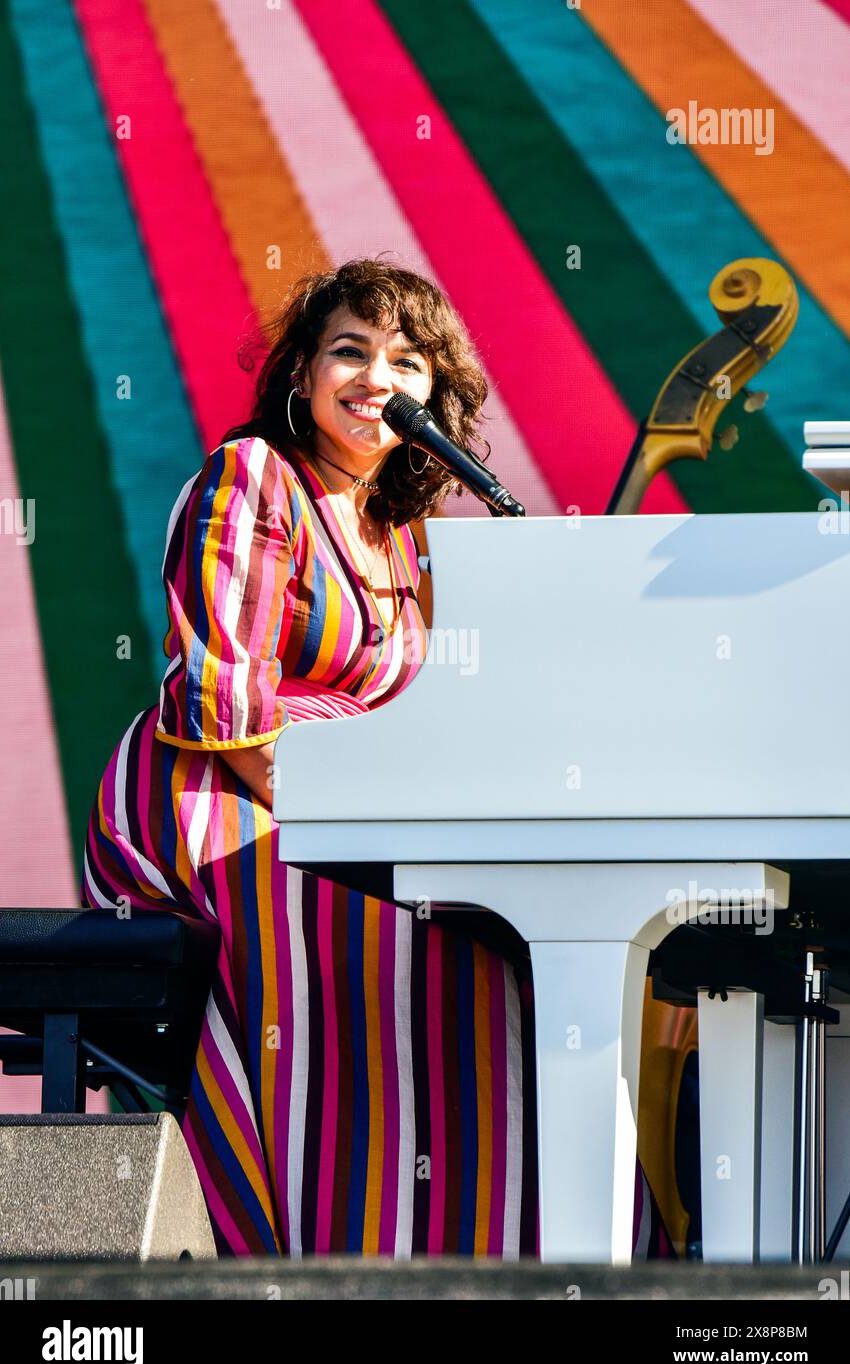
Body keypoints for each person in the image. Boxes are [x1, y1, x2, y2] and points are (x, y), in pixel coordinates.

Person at [81, 258, 674, 1258]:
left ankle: (470, 1246)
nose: (374, 378)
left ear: (433, 399)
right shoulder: (253, 476)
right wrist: (351, 836)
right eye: (348, 351)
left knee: (491, 951)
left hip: (352, 803)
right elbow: (217, 692)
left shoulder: (400, 536)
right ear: (301, 374)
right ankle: (326, 1244)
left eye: (405, 362)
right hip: (219, 793)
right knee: (366, 935)